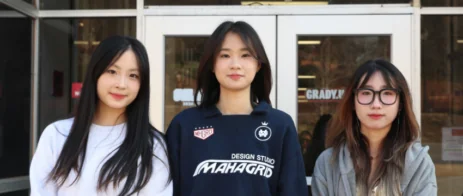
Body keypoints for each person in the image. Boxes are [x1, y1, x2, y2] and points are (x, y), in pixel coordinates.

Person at [166, 21, 308, 196]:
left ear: (258, 64)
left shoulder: (280, 125)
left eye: (245, 55)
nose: (235, 64)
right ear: (212, 64)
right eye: (225, 55)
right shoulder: (185, 125)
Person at [30, 35, 172, 196]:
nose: (121, 84)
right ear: (95, 73)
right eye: (112, 71)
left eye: (133, 75)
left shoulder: (153, 145)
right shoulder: (57, 135)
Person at [311, 59, 437, 196]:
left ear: (400, 103)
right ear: (353, 101)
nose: (376, 104)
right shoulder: (328, 163)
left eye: (387, 93)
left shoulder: (419, 164)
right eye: (366, 93)